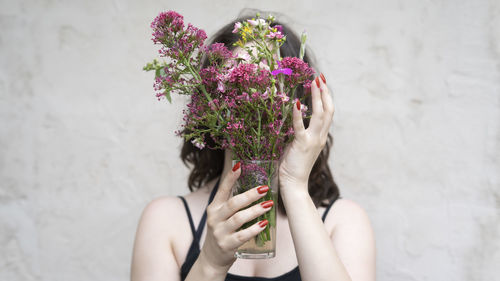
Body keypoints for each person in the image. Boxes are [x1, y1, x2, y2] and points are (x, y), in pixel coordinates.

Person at [131, 12, 376, 281]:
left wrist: (293, 185)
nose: (252, 92)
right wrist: (210, 263)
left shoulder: (344, 221)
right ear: (209, 99)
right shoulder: (165, 220)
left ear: (296, 98)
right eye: (237, 78)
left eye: (267, 78)